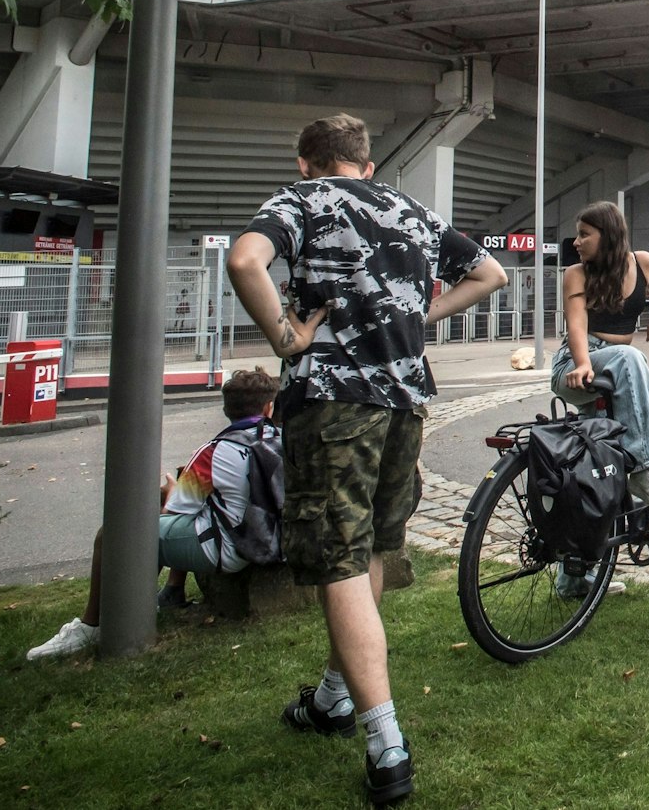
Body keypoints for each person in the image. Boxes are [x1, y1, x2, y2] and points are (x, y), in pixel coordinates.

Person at [228, 113, 507, 806]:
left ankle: (387, 744)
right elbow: (490, 273)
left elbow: (244, 261)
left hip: (333, 402)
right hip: (405, 400)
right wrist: (415, 320)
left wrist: (287, 338)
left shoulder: (303, 198)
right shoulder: (412, 210)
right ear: (368, 165)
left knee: (338, 556)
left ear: (306, 162)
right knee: (374, 546)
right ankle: (334, 697)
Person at [26, 367, 282, 660]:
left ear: (226, 410)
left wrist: (171, 489)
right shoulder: (281, 440)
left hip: (228, 549)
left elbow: (176, 508)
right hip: (271, 539)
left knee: (111, 535)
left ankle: (91, 625)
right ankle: (168, 592)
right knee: (177, 518)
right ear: (268, 407)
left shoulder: (214, 452)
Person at [550, 200, 649, 510]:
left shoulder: (643, 262)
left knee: (601, 453)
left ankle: (603, 526)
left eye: (584, 234)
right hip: (575, 363)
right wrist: (582, 363)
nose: (576, 242)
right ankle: (646, 469)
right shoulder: (575, 273)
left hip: (615, 367)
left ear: (608, 235)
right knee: (629, 357)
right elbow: (576, 324)